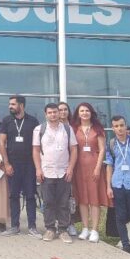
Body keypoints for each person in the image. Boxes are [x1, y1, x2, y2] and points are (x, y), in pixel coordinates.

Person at [33, 103, 78, 244]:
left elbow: (74, 149)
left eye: (55, 112)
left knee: (64, 202)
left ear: (59, 113)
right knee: (48, 202)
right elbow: (35, 150)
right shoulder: (39, 129)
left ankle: (63, 230)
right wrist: (38, 169)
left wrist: (70, 168)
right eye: (50, 112)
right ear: (46, 114)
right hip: (46, 172)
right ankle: (50, 229)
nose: (53, 115)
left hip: (64, 172)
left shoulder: (67, 129)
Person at [0, 95, 41, 238]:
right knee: (13, 195)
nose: (10, 106)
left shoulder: (33, 121)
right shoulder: (6, 121)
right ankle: (14, 226)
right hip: (12, 165)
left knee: (30, 196)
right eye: (9, 104)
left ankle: (32, 227)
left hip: (29, 165)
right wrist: (6, 164)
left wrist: (38, 167)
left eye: (13, 104)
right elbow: (1, 143)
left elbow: (37, 145)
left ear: (21, 105)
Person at [105, 115, 130, 259]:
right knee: (120, 216)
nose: (119, 128)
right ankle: (126, 246)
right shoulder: (111, 144)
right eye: (116, 126)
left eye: (121, 125)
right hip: (117, 184)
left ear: (126, 125)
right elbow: (109, 166)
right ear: (113, 128)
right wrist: (108, 186)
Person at [71, 103, 109, 243]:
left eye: (87, 110)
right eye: (82, 111)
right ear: (78, 113)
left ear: (91, 112)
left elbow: (102, 149)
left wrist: (98, 168)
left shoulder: (98, 129)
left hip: (94, 167)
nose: (84, 113)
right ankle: (85, 228)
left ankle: (94, 230)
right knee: (82, 199)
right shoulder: (74, 129)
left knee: (94, 199)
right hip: (79, 168)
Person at [57, 101, 78, 237]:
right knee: (58, 196)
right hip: (58, 166)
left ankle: (71, 223)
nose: (63, 112)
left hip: (73, 165)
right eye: (60, 110)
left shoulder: (74, 127)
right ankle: (58, 222)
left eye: (65, 109)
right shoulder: (52, 127)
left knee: (71, 196)